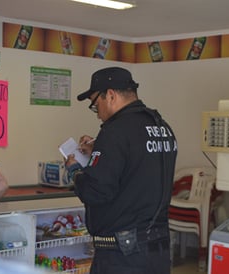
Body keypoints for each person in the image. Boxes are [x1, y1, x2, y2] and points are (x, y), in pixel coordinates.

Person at [65, 67, 177, 274]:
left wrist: (74, 171)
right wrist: (99, 153)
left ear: (110, 95)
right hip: (158, 249)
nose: (97, 112)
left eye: (95, 104)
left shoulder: (115, 131)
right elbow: (138, 168)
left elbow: (95, 191)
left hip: (122, 255)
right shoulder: (162, 127)